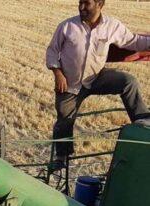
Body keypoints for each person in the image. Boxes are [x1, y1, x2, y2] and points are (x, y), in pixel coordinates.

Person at [45, 0, 150, 169]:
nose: (81, 7)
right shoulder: (67, 26)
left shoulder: (112, 26)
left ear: (100, 4)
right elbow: (52, 51)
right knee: (64, 119)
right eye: (80, 3)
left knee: (128, 82)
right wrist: (57, 73)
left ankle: (142, 120)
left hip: (96, 78)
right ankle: (61, 157)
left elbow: (135, 42)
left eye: (86, 3)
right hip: (70, 84)